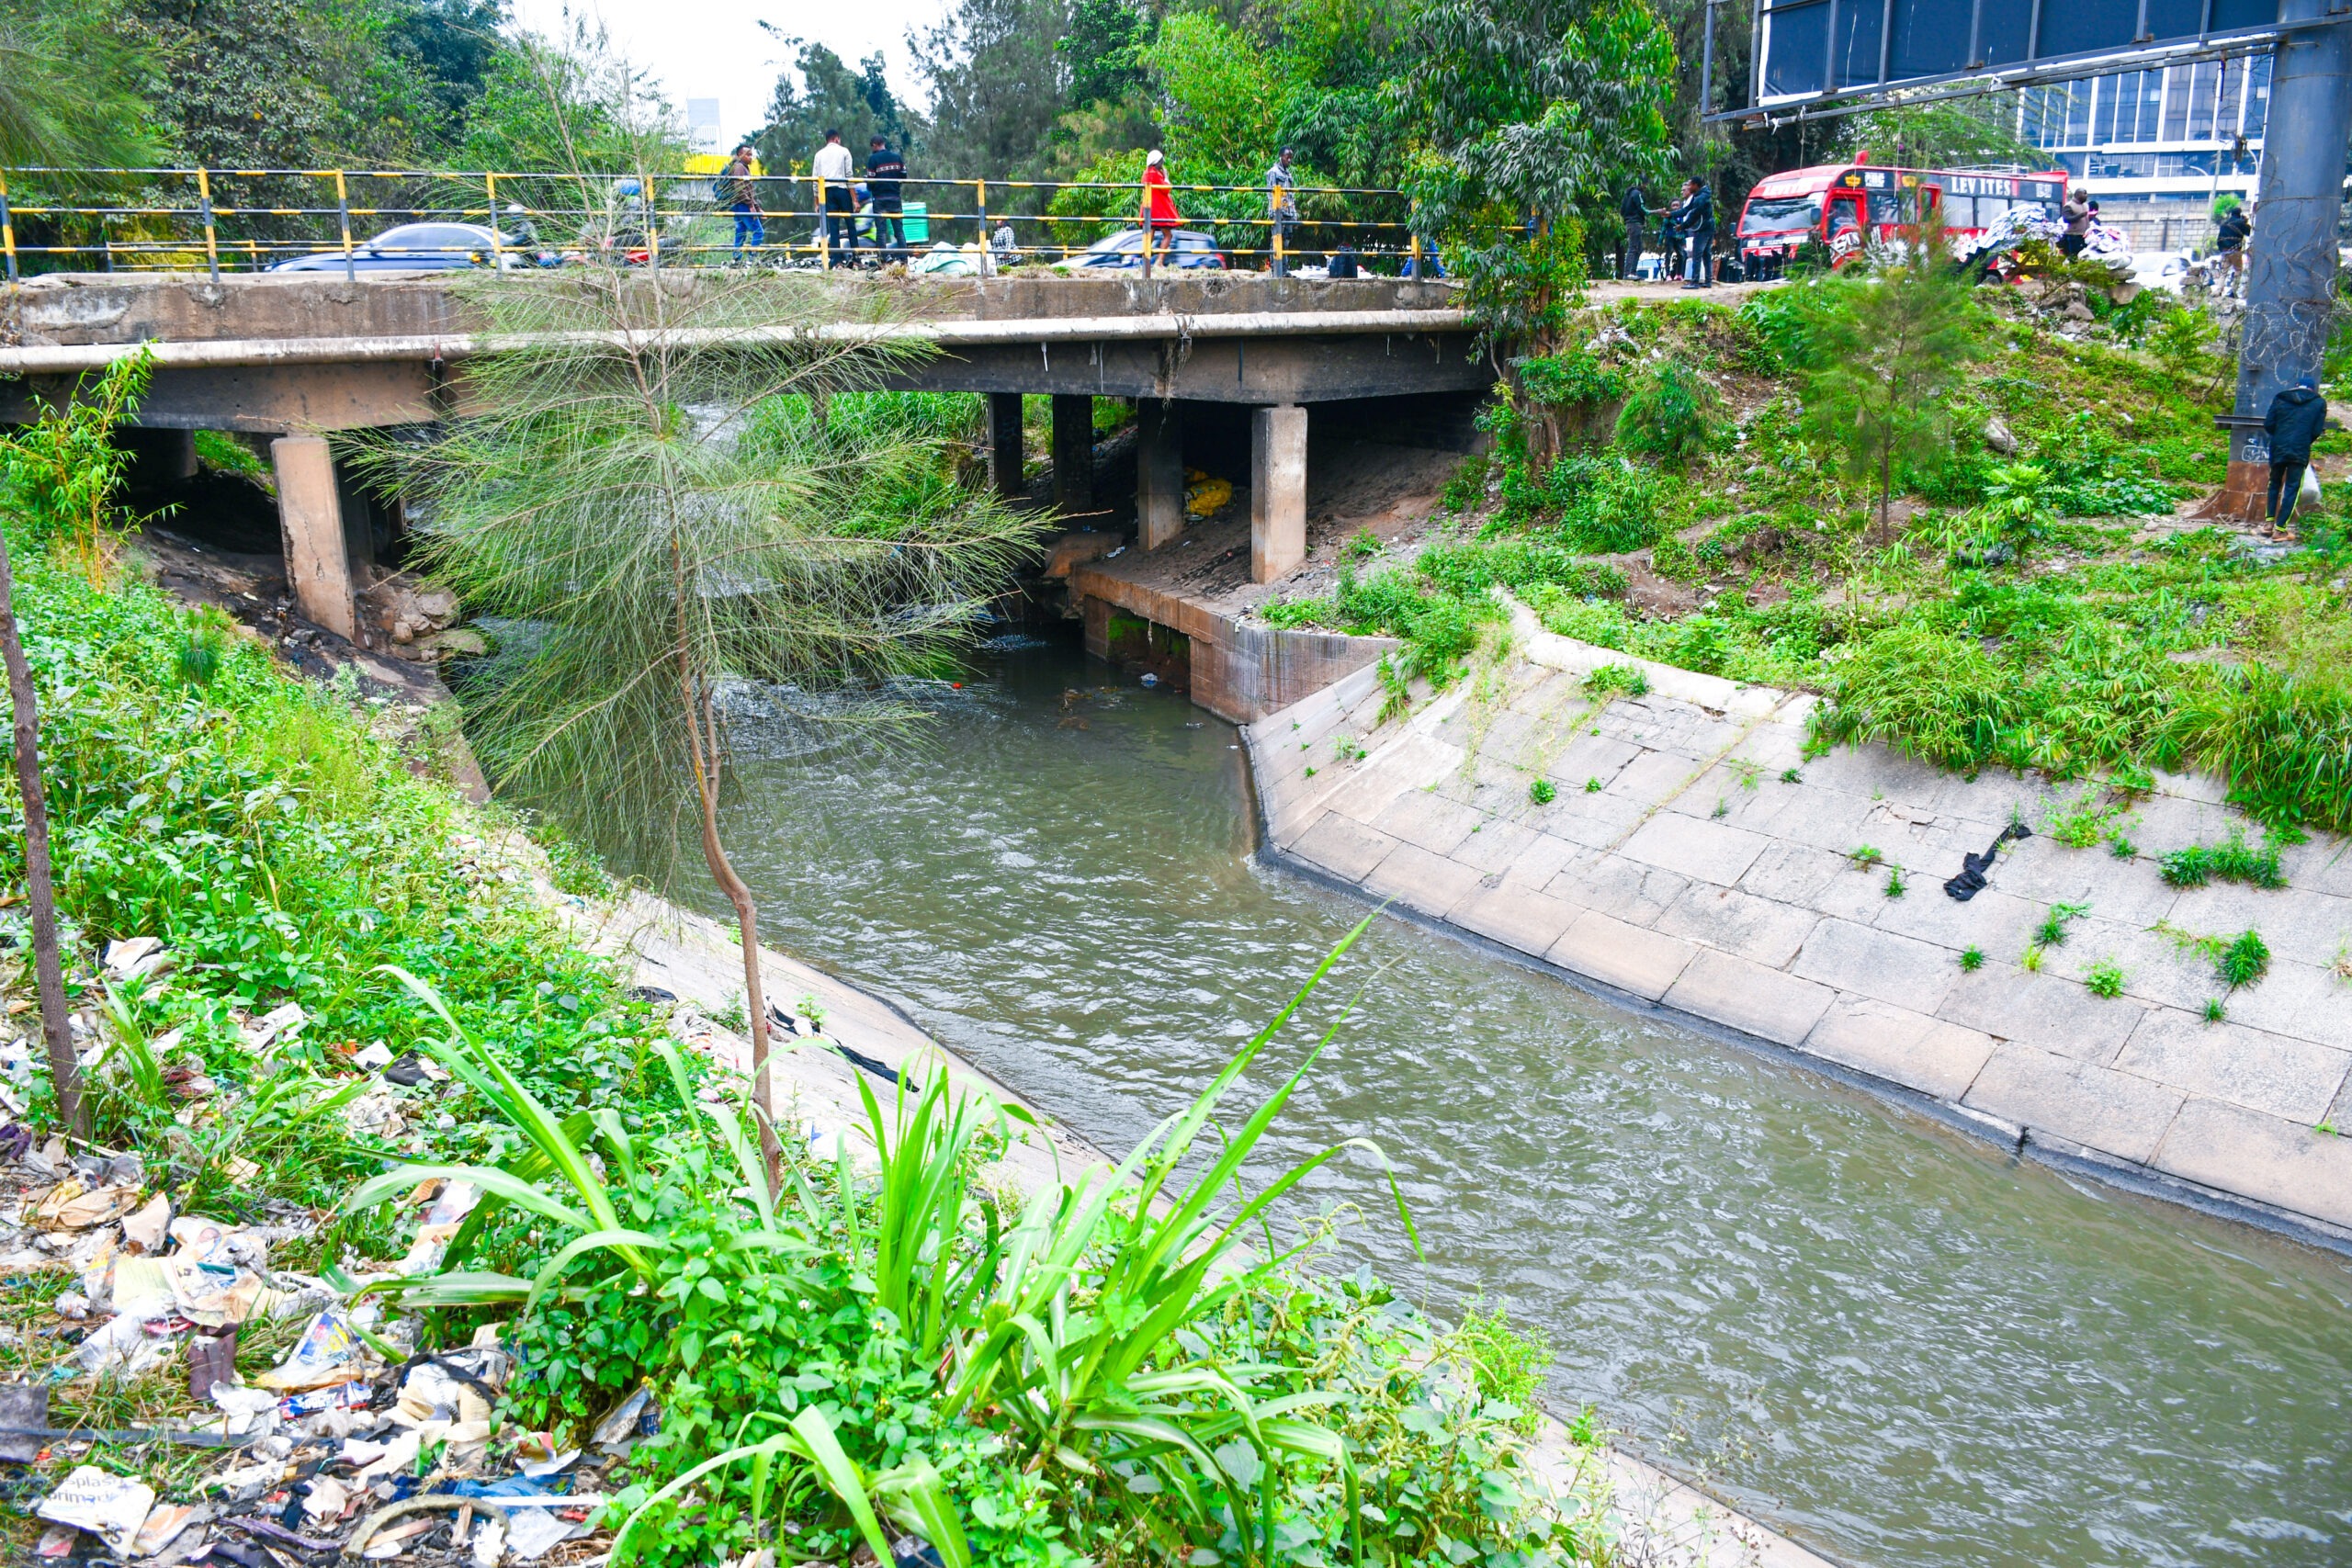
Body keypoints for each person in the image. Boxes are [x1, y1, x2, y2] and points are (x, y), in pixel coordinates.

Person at [2262, 375, 2328, 536]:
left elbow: (2269, 424)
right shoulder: (2319, 403)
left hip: (2278, 447)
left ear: (2296, 386)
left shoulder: (2280, 398)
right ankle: (2280, 530)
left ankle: (2268, 523)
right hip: (2299, 449)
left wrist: (2280, 436)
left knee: (2274, 483)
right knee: (2292, 487)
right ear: (2312, 389)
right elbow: (2316, 431)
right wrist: (2304, 440)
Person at [812, 129, 854, 265]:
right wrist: (854, 198)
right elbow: (849, 175)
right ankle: (855, 257)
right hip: (842, 189)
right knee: (850, 224)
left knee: (833, 226)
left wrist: (817, 202)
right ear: (837, 139)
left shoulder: (819, 155)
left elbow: (815, 180)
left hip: (827, 192)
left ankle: (836, 259)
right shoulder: (844, 151)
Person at [1139, 149, 1182, 272]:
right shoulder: (1155, 174)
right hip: (1159, 209)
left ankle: (1145, 262)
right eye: (1161, 162)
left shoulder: (1146, 173)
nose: (1162, 164)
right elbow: (1166, 189)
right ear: (1156, 162)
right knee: (1167, 235)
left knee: (1149, 234)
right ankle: (1159, 261)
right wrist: (1166, 177)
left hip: (1149, 208)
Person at [719, 144, 763, 262]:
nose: (751, 158)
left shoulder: (741, 166)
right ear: (740, 155)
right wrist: (751, 205)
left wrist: (758, 207)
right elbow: (741, 189)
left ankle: (736, 259)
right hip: (743, 205)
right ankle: (752, 259)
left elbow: (748, 190)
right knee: (758, 232)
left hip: (738, 205)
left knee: (741, 232)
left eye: (751, 155)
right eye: (748, 155)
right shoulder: (739, 167)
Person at [1668, 177, 1714, 288]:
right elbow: (1686, 210)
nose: (1688, 188)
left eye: (1689, 185)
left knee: (1697, 254)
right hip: (1710, 227)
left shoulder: (1700, 199)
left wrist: (1682, 226)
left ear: (1695, 185)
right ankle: (1708, 281)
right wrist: (1671, 214)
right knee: (1706, 254)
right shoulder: (1700, 195)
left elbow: (1693, 216)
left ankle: (1695, 282)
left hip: (1703, 229)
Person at [866, 134, 907, 261]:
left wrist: (873, 189)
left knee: (881, 231)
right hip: (895, 197)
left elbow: (870, 181)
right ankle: (904, 258)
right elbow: (903, 175)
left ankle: (884, 258)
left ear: (874, 145)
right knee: (899, 230)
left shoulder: (873, 159)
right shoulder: (896, 157)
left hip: (880, 199)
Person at [1266, 147, 1299, 276]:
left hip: (1289, 212)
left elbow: (1291, 195)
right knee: (1276, 241)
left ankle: (1284, 270)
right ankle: (1275, 270)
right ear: (1281, 156)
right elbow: (1270, 193)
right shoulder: (1273, 172)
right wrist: (1274, 212)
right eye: (1287, 157)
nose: (1289, 160)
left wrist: (1294, 213)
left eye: (1291, 157)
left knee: (1286, 242)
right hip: (1278, 212)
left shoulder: (1288, 174)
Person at [2215, 197, 2251, 286]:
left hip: (2225, 251)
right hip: (2235, 251)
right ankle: (2234, 290)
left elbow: (2219, 239)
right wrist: (2245, 222)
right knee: (2238, 270)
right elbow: (2248, 232)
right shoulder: (2241, 223)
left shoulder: (2224, 224)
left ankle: (2219, 290)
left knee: (2223, 272)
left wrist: (2222, 250)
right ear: (2239, 214)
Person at [1618, 182, 1648, 280]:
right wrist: (1657, 211)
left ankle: (1632, 272)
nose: (1646, 186)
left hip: (1630, 223)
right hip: (1635, 223)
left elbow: (1622, 211)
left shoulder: (1628, 194)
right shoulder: (1637, 194)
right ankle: (1628, 273)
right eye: (1645, 184)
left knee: (1639, 248)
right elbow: (1643, 209)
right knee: (1633, 247)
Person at [2060, 186, 2090, 260]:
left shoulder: (2086, 205)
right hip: (2073, 235)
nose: (2086, 196)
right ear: (2078, 195)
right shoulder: (2069, 205)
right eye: (2084, 194)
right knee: (2074, 256)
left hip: (2085, 235)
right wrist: (2080, 216)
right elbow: (2066, 219)